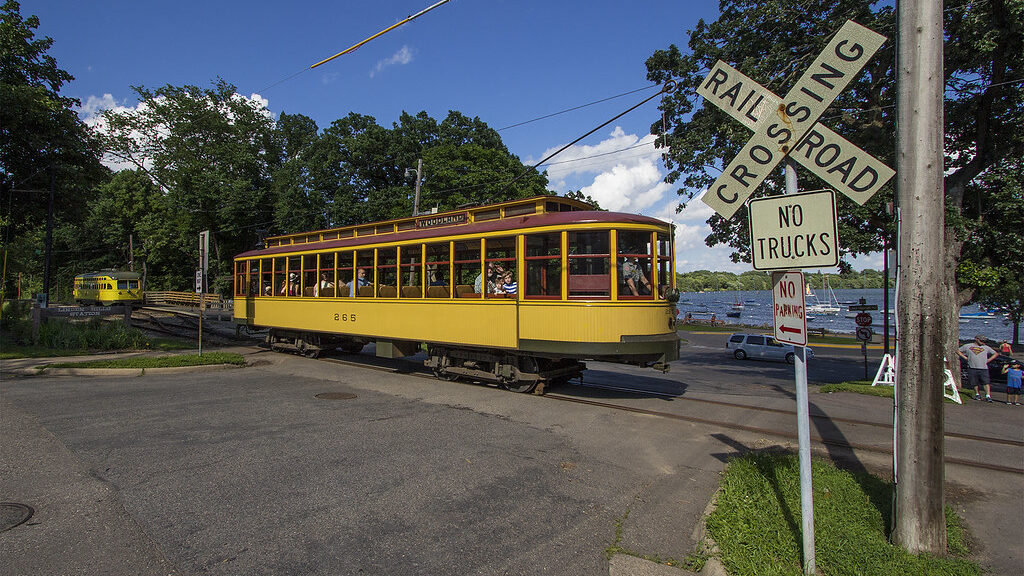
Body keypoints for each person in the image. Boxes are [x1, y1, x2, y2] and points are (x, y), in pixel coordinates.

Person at [957, 334, 998, 402]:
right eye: (981, 340)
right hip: (972, 367)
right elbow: (958, 351)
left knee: (986, 382)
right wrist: (965, 357)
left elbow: (995, 353)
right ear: (976, 339)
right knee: (974, 382)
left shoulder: (986, 347)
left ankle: (988, 396)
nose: (982, 342)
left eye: (984, 341)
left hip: (983, 368)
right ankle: (977, 394)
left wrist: (989, 360)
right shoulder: (968, 346)